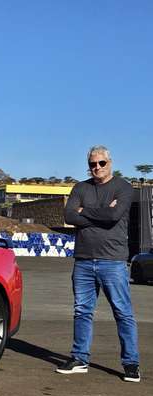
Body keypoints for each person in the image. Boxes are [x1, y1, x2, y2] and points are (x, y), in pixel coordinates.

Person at [58, 145, 140, 382]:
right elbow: (69, 216)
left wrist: (85, 211)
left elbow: (114, 217)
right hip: (83, 260)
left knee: (123, 313)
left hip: (112, 261)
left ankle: (131, 364)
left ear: (110, 163)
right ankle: (79, 358)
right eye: (93, 164)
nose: (97, 168)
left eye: (101, 163)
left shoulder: (123, 187)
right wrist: (100, 211)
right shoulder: (80, 187)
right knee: (82, 311)